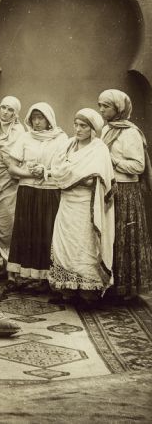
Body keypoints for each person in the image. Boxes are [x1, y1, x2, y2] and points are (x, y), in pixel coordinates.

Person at [48, 108, 115, 304]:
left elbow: (95, 180)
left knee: (84, 245)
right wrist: (71, 174)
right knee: (64, 244)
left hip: (86, 205)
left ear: (93, 129)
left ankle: (87, 293)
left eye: (83, 126)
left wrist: (68, 174)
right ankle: (67, 289)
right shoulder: (68, 145)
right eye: (76, 125)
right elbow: (57, 170)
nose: (78, 129)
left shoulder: (99, 149)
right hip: (67, 203)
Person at [6, 102, 68, 289]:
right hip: (27, 190)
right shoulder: (25, 138)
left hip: (50, 191)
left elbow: (65, 166)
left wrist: (46, 172)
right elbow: (12, 167)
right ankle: (25, 275)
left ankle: (46, 278)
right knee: (26, 232)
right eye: (34, 118)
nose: (37, 122)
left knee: (46, 232)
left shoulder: (61, 138)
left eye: (41, 118)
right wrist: (28, 174)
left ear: (49, 119)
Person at [98, 89, 152, 300]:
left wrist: (114, 161)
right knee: (109, 236)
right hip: (109, 188)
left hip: (127, 192)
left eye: (106, 106)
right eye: (100, 105)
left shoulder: (130, 133)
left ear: (118, 108)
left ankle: (126, 288)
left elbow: (138, 166)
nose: (101, 110)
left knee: (125, 238)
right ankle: (110, 283)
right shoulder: (105, 130)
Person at [0, 96, 25, 268]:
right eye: (3, 108)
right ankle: (4, 262)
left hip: (9, 183)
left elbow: (16, 160)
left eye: (11, 110)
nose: (6, 112)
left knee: (8, 221)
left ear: (15, 114)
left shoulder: (18, 131)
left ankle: (13, 265)